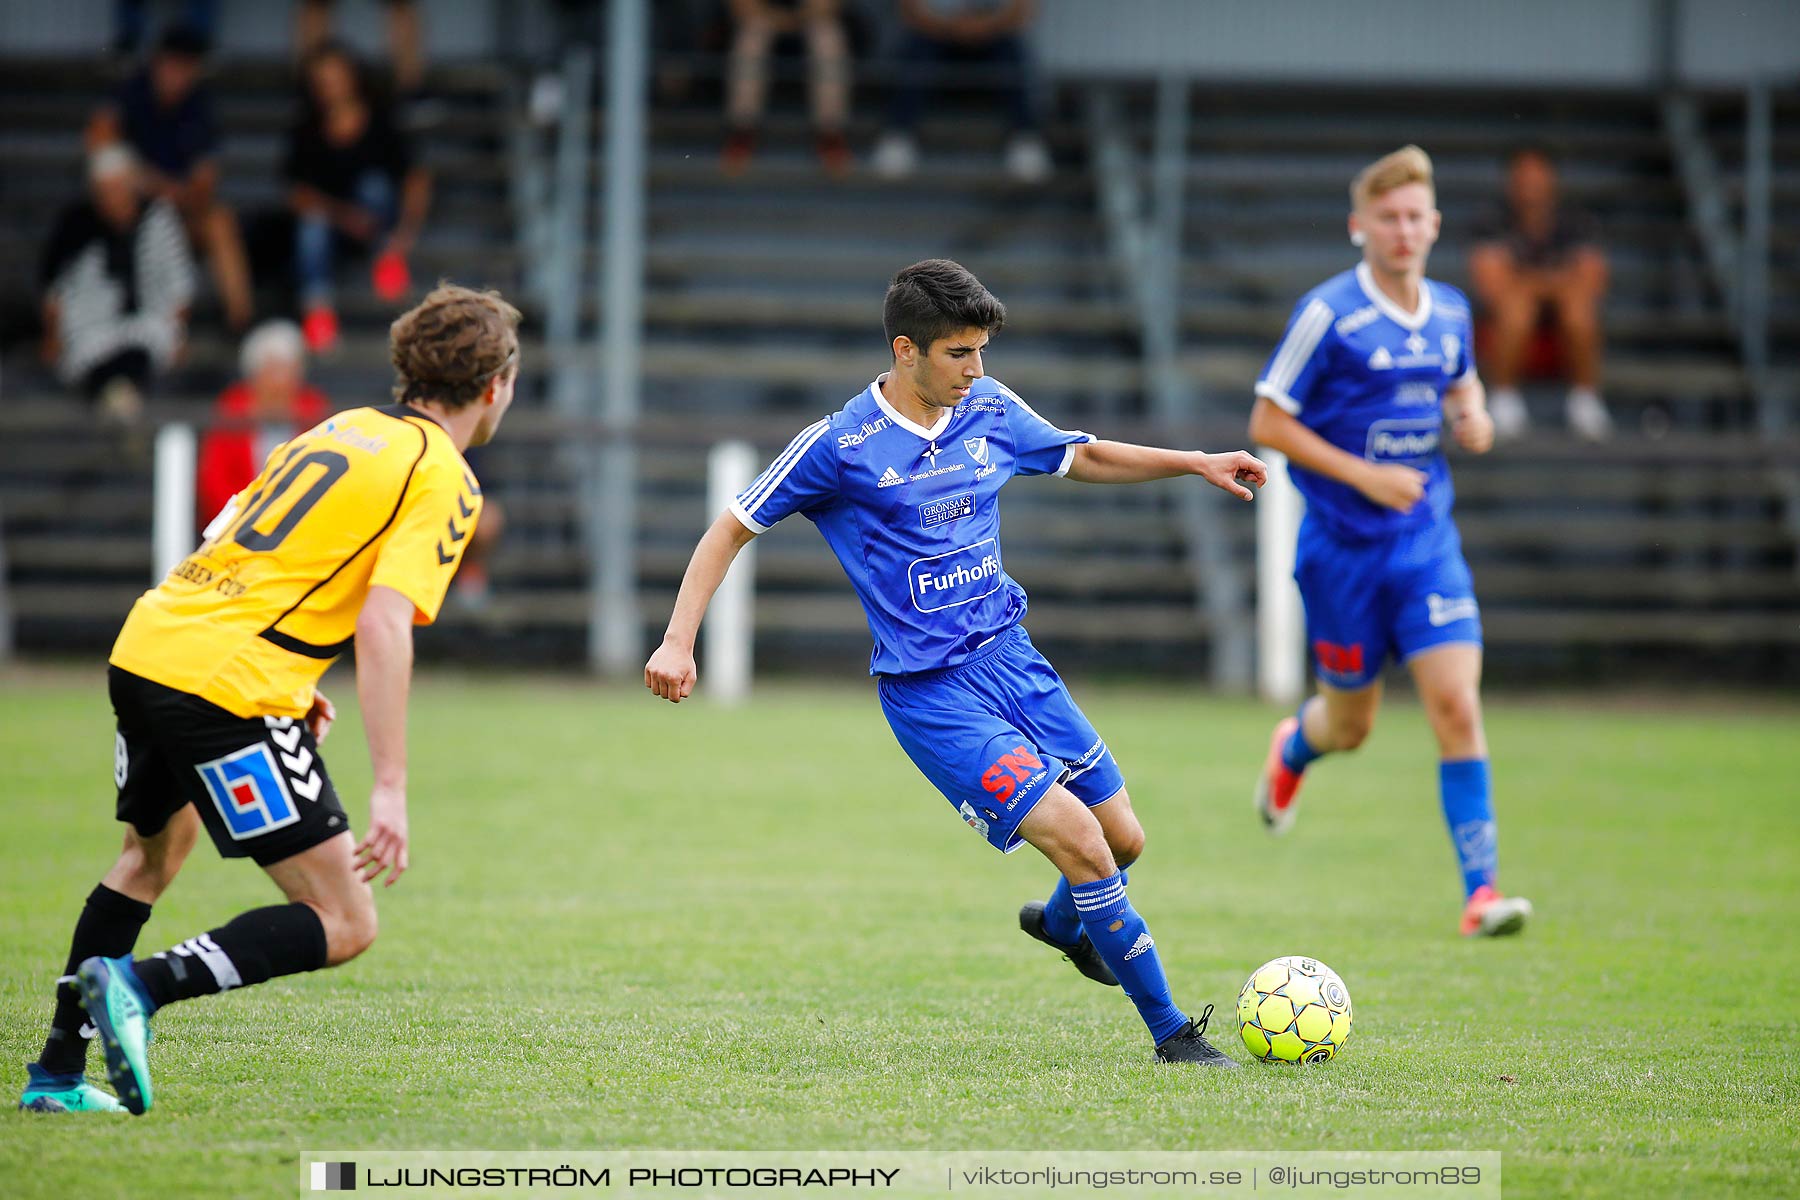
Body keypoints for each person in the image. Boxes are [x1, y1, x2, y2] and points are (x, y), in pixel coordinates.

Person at [646, 258, 1266, 1065]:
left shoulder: (992, 409)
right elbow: (732, 526)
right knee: (1082, 841)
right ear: (907, 351)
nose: (978, 371)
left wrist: (1194, 461)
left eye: (982, 352)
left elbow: (1083, 456)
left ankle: (1067, 924)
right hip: (933, 694)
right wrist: (676, 637)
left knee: (1123, 841)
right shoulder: (841, 445)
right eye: (960, 354)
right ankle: (1173, 1035)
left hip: (1014, 661)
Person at [17, 284, 518, 1115]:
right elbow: (385, 626)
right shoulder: (445, 476)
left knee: (150, 857)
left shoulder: (340, 428)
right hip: (225, 685)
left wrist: (295, 678)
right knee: (345, 919)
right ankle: (138, 987)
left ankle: (57, 1076)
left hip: (151, 645)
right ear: (495, 385)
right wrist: (388, 783)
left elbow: (230, 534)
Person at [1246, 146, 1533, 939]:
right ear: (1358, 228)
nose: (1404, 232)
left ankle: (1481, 893)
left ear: (1434, 225)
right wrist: (1363, 476)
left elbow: (1461, 383)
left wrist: (1471, 417)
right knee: (1353, 727)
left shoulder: (1448, 310)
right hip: (1340, 551)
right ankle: (1296, 748)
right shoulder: (1329, 315)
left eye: (1416, 218)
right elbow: (1267, 422)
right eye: (1388, 219)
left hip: (1424, 544)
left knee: (1455, 706)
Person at [89, 23, 254, 331]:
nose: (178, 74)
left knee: (219, 221)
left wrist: (162, 188)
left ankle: (240, 323)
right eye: (173, 64)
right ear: (158, 62)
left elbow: (204, 183)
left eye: (187, 67)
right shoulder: (132, 92)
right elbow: (98, 138)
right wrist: (142, 180)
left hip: (176, 210)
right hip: (130, 213)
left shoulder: (199, 107)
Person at [285, 40, 431, 353]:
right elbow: (297, 193)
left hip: (379, 222)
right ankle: (318, 311)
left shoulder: (381, 121)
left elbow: (416, 178)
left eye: (336, 77)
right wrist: (343, 216)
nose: (331, 87)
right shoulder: (306, 128)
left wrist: (404, 235)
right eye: (323, 81)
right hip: (333, 225)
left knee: (374, 185)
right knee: (312, 223)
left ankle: (387, 258)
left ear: (353, 78)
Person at [39, 145, 195, 422]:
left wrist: (179, 333)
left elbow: (179, 284)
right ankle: (118, 409)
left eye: (119, 187)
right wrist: (52, 337)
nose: (113, 197)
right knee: (90, 358)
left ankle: (123, 409)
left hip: (148, 326)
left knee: (149, 344)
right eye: (105, 190)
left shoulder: (159, 219)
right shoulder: (75, 225)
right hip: (89, 330)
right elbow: (55, 290)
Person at [1467, 144, 1612, 441]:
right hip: (1508, 325)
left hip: (1564, 323)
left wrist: (1527, 282)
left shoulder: (1577, 222)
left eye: (1537, 175)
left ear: (1552, 178)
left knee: (1578, 306)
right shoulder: (1491, 221)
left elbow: (1593, 282)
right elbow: (1492, 287)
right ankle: (1504, 396)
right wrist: (1554, 281)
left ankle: (1585, 399)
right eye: (1523, 175)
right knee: (1517, 306)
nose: (1530, 184)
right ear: (1510, 180)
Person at [873, 0, 1049, 184]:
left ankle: (1026, 138)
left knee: (1013, 51)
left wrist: (984, 26)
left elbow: (1023, 11)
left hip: (992, 38)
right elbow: (909, 11)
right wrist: (953, 27)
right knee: (917, 50)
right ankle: (898, 134)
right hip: (936, 36)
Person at [196, 320, 332, 525]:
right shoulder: (232, 410)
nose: (281, 383)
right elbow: (214, 483)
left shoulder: (313, 409)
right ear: (254, 375)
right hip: (239, 527)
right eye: (273, 371)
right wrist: (248, 520)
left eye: (289, 371)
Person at [721, 0, 853, 177]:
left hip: (809, 20)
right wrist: (779, 19)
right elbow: (743, 7)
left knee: (827, 36)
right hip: (764, 20)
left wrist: (796, 19)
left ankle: (830, 134)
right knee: (751, 37)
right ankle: (742, 132)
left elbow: (828, 6)